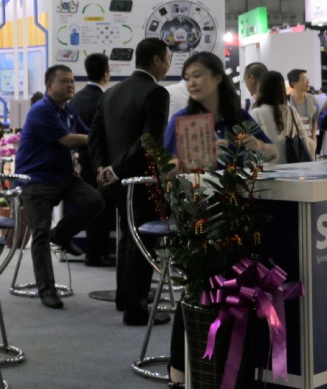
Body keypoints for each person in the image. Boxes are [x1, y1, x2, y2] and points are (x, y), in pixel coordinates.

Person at [162, 51, 273, 384]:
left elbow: (272, 150)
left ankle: (230, 369)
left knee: (238, 291)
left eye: (197, 75)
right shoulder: (183, 120)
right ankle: (180, 372)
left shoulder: (239, 117)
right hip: (200, 218)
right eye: (187, 77)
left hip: (238, 216)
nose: (191, 83)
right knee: (199, 291)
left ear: (217, 77)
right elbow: (166, 168)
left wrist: (254, 144)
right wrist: (196, 155)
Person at [89, 38, 171, 325]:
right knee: (143, 239)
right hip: (141, 178)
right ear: (157, 60)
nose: (169, 64)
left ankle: (124, 297)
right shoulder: (156, 92)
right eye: (168, 58)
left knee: (128, 235)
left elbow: (95, 136)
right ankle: (136, 308)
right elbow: (149, 141)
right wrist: (116, 169)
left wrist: (103, 168)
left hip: (114, 181)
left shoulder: (111, 93)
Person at [14, 64, 105, 309]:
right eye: (64, 81)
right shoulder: (41, 110)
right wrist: (97, 139)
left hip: (62, 176)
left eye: (72, 81)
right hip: (35, 180)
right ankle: (47, 290)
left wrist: (101, 139)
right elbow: (68, 139)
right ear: (49, 85)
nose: (70, 85)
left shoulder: (68, 109)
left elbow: (86, 133)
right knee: (40, 233)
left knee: (95, 201)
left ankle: (62, 234)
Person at [70, 53, 114, 268]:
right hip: (102, 161)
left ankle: (92, 252)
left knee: (90, 207)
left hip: (80, 162)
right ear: (106, 74)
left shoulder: (76, 99)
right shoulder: (107, 99)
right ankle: (98, 253)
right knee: (102, 208)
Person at [253, 71, 309, 165]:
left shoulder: (256, 113)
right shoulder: (291, 111)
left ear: (261, 88)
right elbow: (304, 137)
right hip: (291, 167)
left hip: (266, 167)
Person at [287, 68, 318, 152]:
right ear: (294, 83)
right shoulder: (286, 101)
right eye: (304, 79)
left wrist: (313, 139)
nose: (308, 82)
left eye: (307, 79)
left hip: (310, 143)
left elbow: (314, 121)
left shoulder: (312, 99)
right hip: (293, 143)